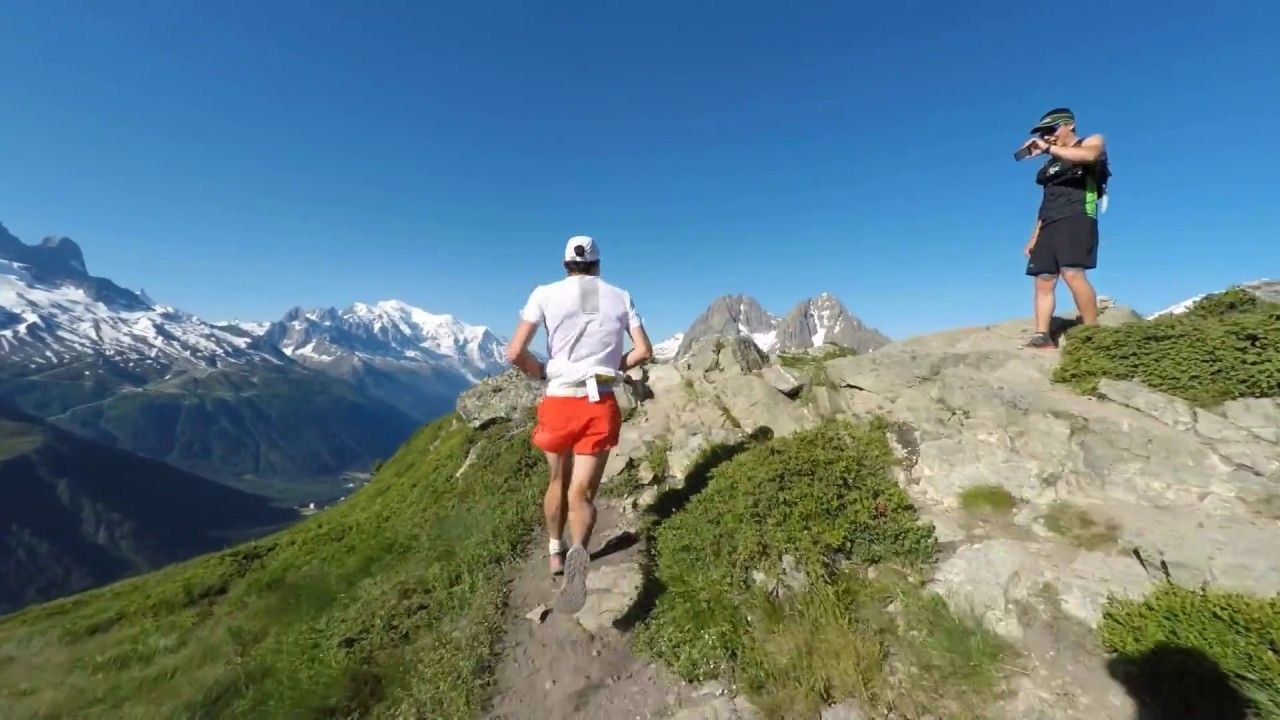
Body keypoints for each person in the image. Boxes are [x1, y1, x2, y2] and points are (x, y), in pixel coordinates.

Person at [505, 234, 652, 614]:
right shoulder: (620, 296)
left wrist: (540, 372)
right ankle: (578, 555)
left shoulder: (544, 293)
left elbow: (514, 352)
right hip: (598, 403)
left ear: (565, 265)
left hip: (558, 401)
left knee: (557, 481)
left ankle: (555, 551)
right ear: (598, 266)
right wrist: (611, 368)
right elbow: (644, 351)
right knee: (582, 494)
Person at [1017, 107, 1110, 349]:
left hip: (1078, 214)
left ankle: (1092, 332)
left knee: (1072, 272)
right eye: (1043, 133)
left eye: (1051, 130)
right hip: (1049, 221)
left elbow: (1090, 156)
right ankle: (1042, 335)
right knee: (1043, 279)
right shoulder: (1049, 166)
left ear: (1068, 125)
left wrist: (1048, 147)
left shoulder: (1091, 141)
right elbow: (1045, 201)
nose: (1047, 136)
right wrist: (1034, 236)